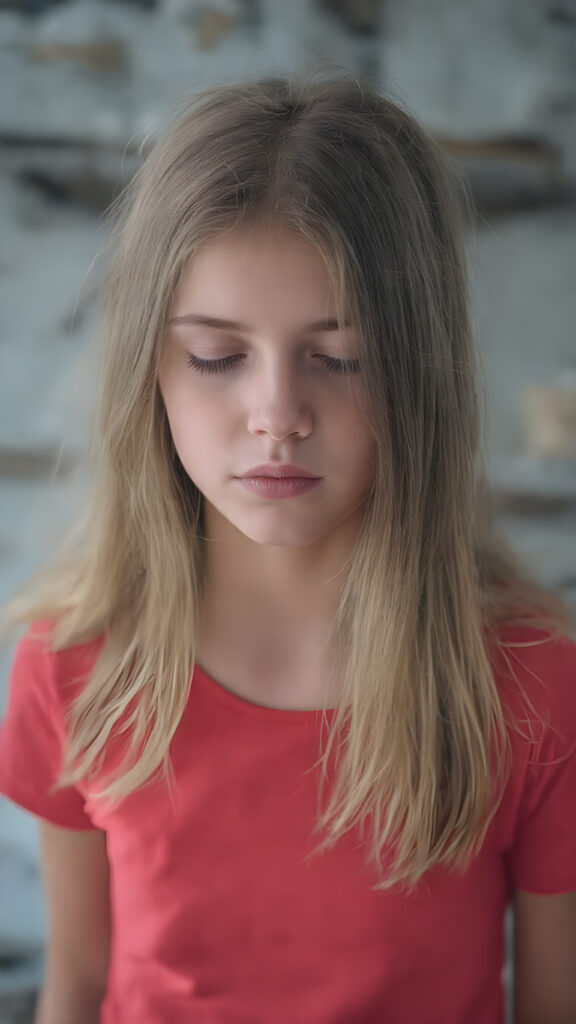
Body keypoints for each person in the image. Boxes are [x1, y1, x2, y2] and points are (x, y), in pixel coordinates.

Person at [0, 75, 575, 1024]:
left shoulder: (525, 686)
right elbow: (78, 989)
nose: (277, 418)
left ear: (418, 373)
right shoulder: (71, 671)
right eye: (218, 357)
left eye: (340, 357)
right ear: (151, 368)